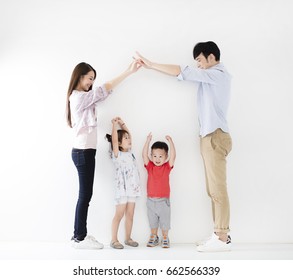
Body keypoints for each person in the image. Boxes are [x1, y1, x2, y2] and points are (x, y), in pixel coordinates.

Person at [135, 41, 233, 252]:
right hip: (209, 137)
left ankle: (222, 237)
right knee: (212, 190)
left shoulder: (217, 74)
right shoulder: (211, 76)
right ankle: (218, 234)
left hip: (215, 136)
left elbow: (182, 71)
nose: (197, 64)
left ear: (211, 57)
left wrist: (151, 64)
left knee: (218, 190)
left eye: (199, 60)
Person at [66, 61, 141, 249]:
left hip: (85, 152)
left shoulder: (83, 97)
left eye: (93, 79)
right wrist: (128, 71)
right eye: (89, 78)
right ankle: (79, 238)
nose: (91, 82)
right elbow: (103, 89)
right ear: (79, 76)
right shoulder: (78, 97)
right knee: (85, 196)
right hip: (83, 152)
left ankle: (79, 236)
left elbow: (103, 93)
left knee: (85, 195)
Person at [105, 117, 141, 249]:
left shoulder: (130, 153)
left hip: (132, 188)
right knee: (119, 214)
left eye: (128, 138)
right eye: (125, 139)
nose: (129, 139)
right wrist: (114, 126)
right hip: (122, 189)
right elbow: (114, 140)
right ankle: (114, 240)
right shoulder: (117, 154)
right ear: (119, 143)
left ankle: (128, 238)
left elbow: (129, 134)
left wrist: (123, 124)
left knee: (130, 214)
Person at [142, 133, 176, 248]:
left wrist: (171, 142)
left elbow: (173, 157)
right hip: (151, 201)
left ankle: (165, 237)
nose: (157, 159)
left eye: (160, 156)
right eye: (154, 156)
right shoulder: (150, 166)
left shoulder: (167, 167)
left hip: (163, 201)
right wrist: (147, 141)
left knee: (165, 221)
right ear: (151, 156)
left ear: (166, 157)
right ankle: (154, 236)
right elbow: (144, 155)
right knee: (152, 221)